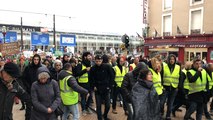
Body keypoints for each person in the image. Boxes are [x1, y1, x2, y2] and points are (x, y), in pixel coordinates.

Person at [90, 55, 115, 120]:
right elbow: (90, 78)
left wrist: (110, 86)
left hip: (106, 88)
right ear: (95, 61)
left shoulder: (107, 67)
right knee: (98, 106)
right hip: (97, 89)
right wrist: (93, 86)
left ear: (102, 61)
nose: (98, 62)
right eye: (97, 61)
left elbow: (112, 76)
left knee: (108, 105)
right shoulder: (93, 68)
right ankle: (99, 118)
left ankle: (105, 115)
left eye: (99, 61)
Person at [160, 54, 181, 120]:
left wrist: (178, 87)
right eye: (170, 59)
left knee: (170, 103)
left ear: (175, 60)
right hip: (165, 87)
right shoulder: (164, 66)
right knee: (162, 102)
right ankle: (161, 112)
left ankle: (168, 115)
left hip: (174, 88)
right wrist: (161, 85)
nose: (172, 60)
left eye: (173, 59)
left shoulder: (178, 67)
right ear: (168, 60)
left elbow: (180, 77)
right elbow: (160, 76)